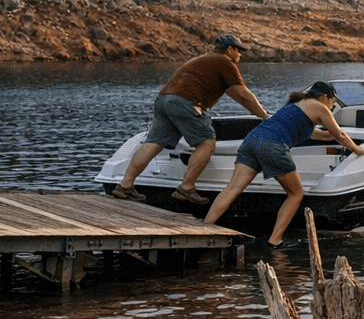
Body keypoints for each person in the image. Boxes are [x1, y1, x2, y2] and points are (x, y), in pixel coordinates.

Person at [204, 81, 364, 247]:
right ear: (325, 97)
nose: (332, 107)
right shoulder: (320, 107)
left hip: (252, 141)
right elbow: (339, 134)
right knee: (296, 193)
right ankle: (275, 241)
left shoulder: (296, 106)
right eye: (333, 102)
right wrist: (358, 149)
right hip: (271, 145)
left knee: (232, 188)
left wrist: (343, 136)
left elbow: (326, 135)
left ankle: (205, 227)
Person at [112, 34, 269, 204]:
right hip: (185, 102)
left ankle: (125, 186)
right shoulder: (225, 62)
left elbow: (234, 93)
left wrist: (259, 111)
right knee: (206, 143)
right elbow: (243, 93)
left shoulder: (203, 60)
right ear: (230, 49)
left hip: (164, 100)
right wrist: (265, 117)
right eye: (240, 51)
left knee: (154, 143)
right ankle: (186, 188)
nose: (241, 56)